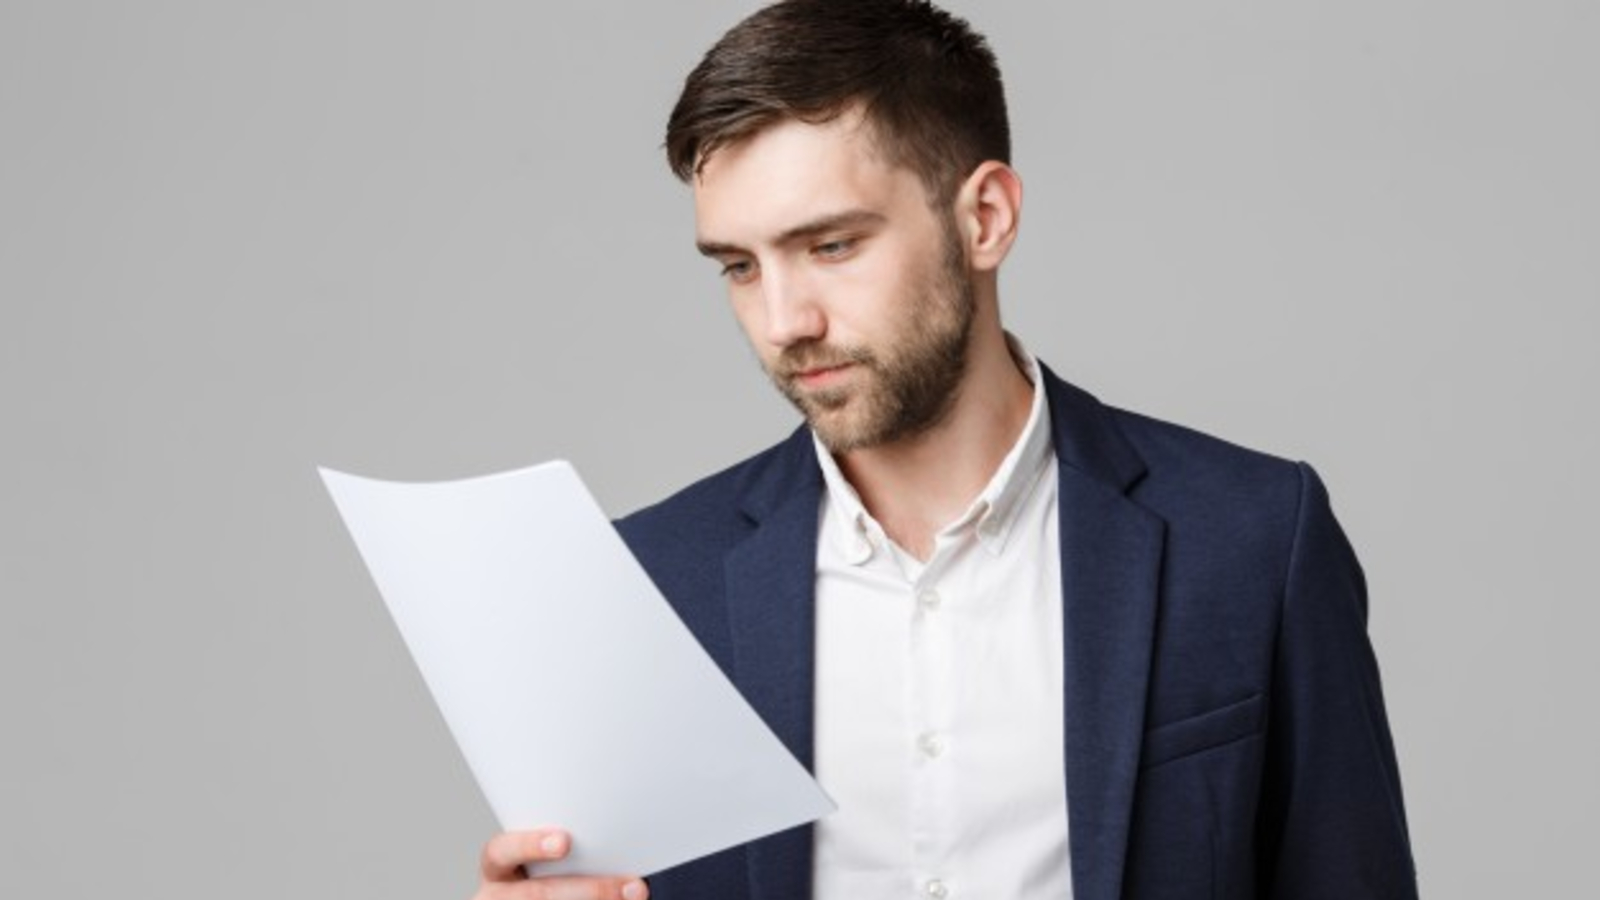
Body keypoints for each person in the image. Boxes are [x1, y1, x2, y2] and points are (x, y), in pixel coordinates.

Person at [472, 1, 1418, 898]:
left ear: (986, 218)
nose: (783, 321)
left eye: (833, 245)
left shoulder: (1251, 539)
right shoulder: (646, 586)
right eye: (738, 266)